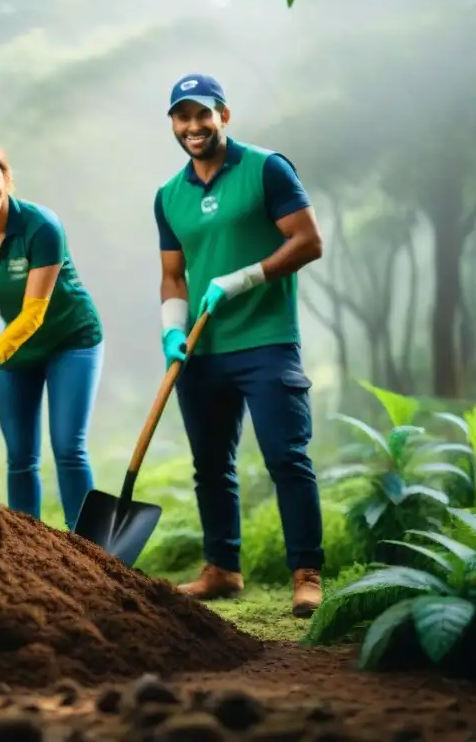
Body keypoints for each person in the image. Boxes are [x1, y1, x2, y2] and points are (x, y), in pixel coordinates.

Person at [154, 73, 325, 617]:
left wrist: (244, 277)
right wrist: (173, 328)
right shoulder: (168, 197)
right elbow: (174, 275)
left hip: (266, 341)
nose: (194, 126)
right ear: (173, 124)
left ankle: (306, 574)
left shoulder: (267, 168)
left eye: (203, 114)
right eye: (183, 116)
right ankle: (222, 569)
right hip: (203, 350)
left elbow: (308, 241)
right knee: (211, 465)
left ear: (223, 115)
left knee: (287, 458)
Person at [0, 140, 104, 529]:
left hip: (71, 340)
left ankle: (90, 552)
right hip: (15, 350)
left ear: (7, 178)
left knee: (68, 448)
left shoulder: (42, 227)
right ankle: (25, 553)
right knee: (20, 456)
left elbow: (34, 312)